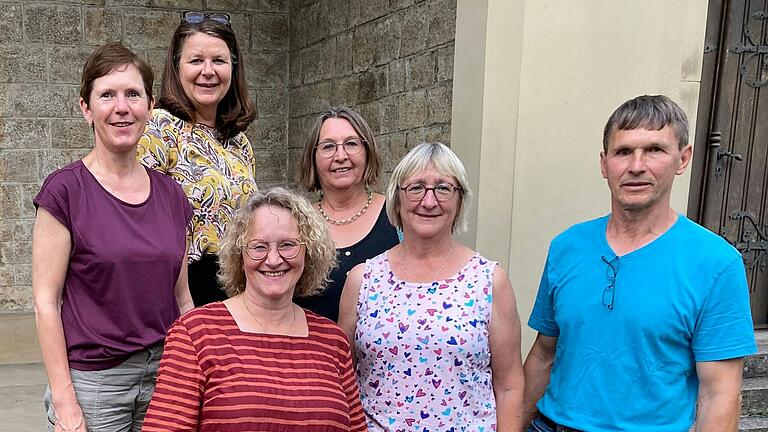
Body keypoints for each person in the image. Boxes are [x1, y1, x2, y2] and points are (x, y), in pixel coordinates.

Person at [522, 95, 757, 432]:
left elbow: (719, 393)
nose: (636, 166)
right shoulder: (567, 247)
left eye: (655, 150)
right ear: (604, 164)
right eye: (623, 152)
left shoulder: (716, 264)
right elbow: (544, 355)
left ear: (683, 158)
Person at [32, 42, 193, 432]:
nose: (122, 107)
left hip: (166, 378)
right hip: (96, 385)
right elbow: (46, 303)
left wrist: (194, 373)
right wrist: (65, 402)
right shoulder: (64, 192)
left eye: (133, 94)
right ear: (86, 108)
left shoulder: (172, 195)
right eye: (107, 95)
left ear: (149, 105)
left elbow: (182, 297)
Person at [141, 187, 368, 432]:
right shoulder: (196, 333)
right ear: (240, 255)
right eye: (259, 247)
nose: (273, 259)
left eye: (288, 245)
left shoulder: (332, 341)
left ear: (308, 252)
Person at [339, 142, 525, 431]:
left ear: (460, 200)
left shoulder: (489, 281)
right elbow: (343, 379)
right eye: (415, 188)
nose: (429, 201)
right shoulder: (363, 280)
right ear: (396, 200)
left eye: (443, 188)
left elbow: (510, 385)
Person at [138, 11, 257, 306]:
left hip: (236, 292)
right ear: (177, 68)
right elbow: (139, 223)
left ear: (233, 67)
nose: (208, 71)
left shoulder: (239, 143)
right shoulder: (158, 128)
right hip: (181, 293)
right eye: (196, 60)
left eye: (218, 60)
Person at [296, 107, 399, 322]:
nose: (341, 156)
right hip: (311, 352)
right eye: (328, 147)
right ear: (313, 158)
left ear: (367, 151)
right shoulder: (296, 222)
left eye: (351, 144)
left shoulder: (398, 216)